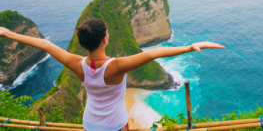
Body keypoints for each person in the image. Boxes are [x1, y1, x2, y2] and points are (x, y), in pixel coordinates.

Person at [0, 18, 225, 131]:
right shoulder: (116, 67)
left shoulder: (77, 64)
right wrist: (191, 46)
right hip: (115, 125)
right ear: (105, 39)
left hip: (89, 123)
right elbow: (155, 52)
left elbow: (44, 44)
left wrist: (8, 33)